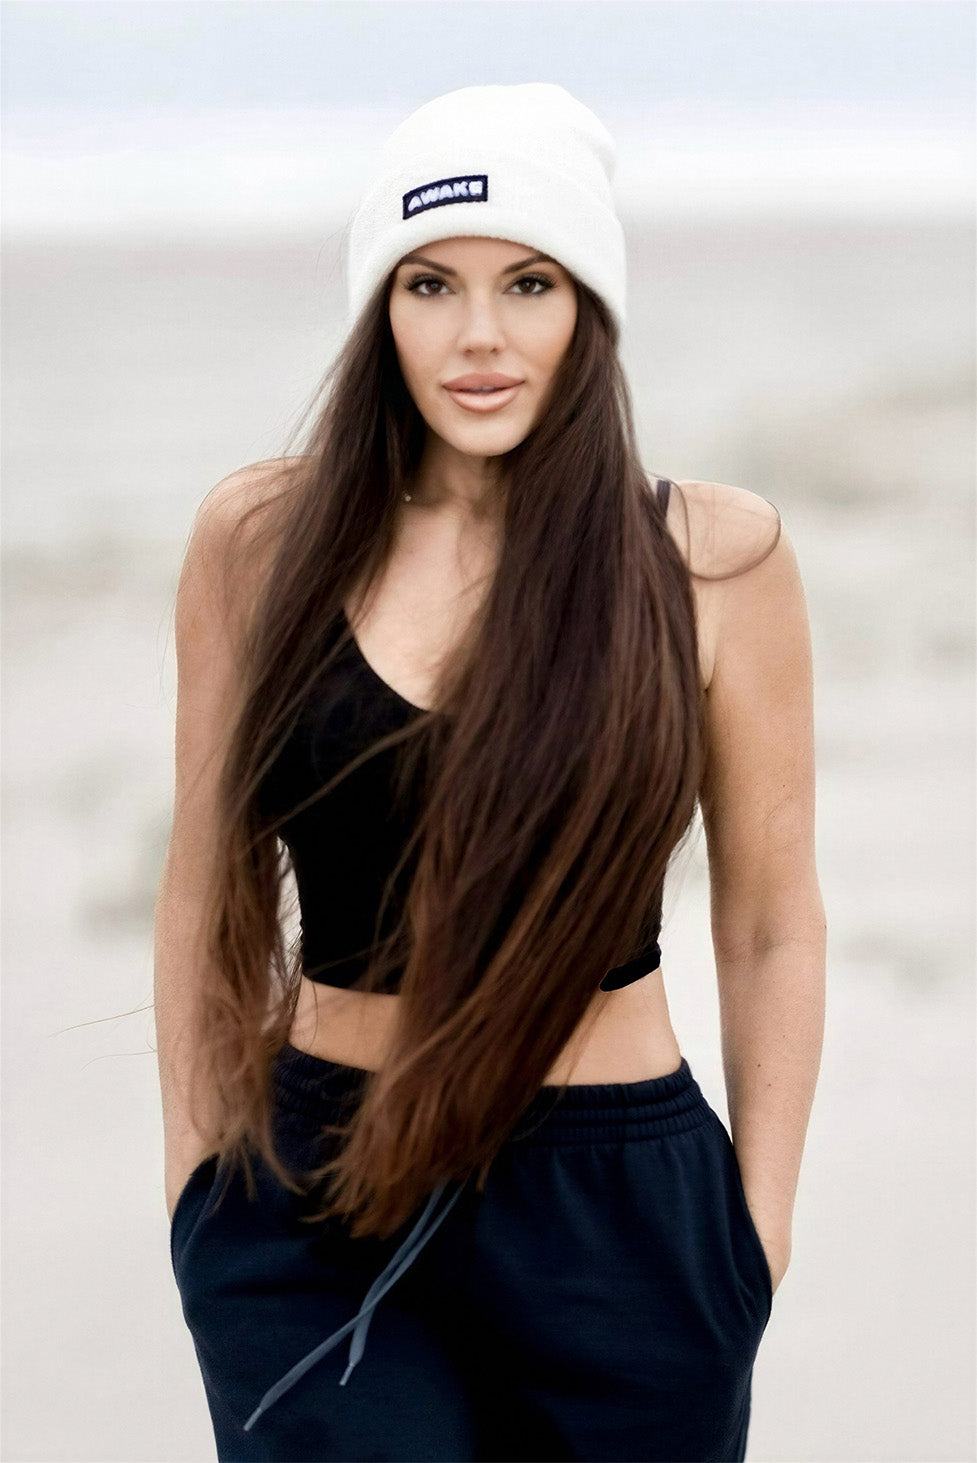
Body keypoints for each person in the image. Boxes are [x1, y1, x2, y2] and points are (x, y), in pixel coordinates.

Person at [155, 82, 826, 1463]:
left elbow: (768, 922)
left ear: (587, 304)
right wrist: (195, 1201)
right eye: (426, 284)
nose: (477, 336)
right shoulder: (259, 541)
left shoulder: (709, 562)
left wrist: (752, 1237)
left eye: (527, 281)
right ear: (377, 308)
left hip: (622, 1215)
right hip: (312, 1200)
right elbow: (204, 889)